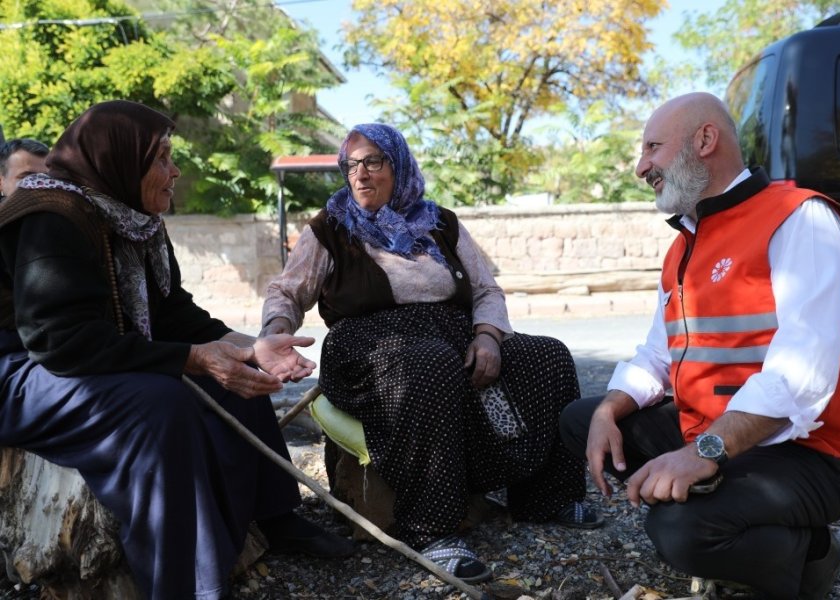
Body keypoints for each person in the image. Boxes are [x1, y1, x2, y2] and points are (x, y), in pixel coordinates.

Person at [0, 100, 353, 600]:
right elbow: (60, 342)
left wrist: (250, 347)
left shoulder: (133, 215)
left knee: (238, 377)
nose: (175, 171)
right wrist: (192, 358)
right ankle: (185, 581)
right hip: (21, 369)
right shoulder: (49, 215)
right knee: (161, 405)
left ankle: (276, 515)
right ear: (120, 159)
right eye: (162, 158)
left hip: (90, 355)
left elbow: (176, 315)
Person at [559, 92, 840, 599]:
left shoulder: (800, 220)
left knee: (678, 533)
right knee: (584, 418)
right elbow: (657, 355)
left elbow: (798, 379)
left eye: (653, 147)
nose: (642, 166)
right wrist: (609, 410)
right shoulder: (684, 244)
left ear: (705, 139)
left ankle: (806, 557)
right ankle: (724, 512)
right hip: (722, 437)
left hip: (815, 454)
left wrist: (702, 453)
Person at [261, 123, 600, 583]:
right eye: (351, 165)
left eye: (373, 162)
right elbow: (287, 291)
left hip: (451, 335)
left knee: (548, 355)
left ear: (398, 167)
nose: (360, 175)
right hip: (368, 345)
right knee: (430, 365)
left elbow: (486, 290)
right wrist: (275, 332)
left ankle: (548, 496)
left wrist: (487, 337)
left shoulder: (441, 223)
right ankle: (433, 529)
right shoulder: (329, 229)